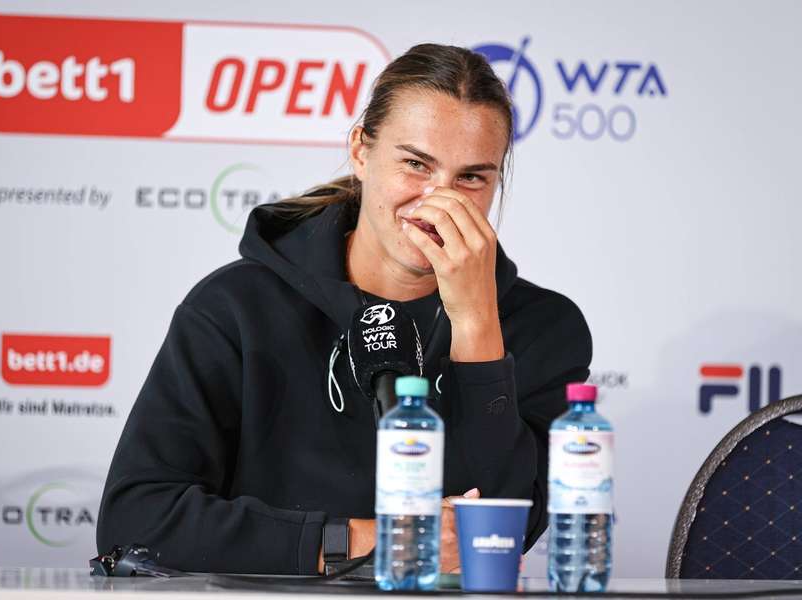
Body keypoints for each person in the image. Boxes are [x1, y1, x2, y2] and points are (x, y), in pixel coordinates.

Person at [96, 43, 592, 576]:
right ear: (360, 151)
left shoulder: (544, 327)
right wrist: (362, 542)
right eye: (415, 164)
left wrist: (476, 325)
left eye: (471, 178)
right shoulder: (236, 307)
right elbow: (136, 519)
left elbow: (496, 537)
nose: (438, 201)